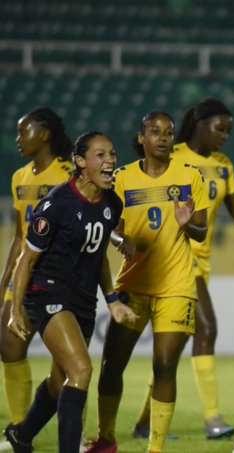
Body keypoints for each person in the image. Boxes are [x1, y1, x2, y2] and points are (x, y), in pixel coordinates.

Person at [131, 98, 234, 440]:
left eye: (229, 131)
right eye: (220, 129)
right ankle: (213, 418)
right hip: (174, 260)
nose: (225, 136)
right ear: (200, 124)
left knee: (169, 350)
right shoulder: (173, 157)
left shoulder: (222, 165)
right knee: (207, 329)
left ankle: (145, 423)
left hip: (200, 263)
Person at [3, 131, 138, 453]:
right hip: (48, 293)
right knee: (81, 371)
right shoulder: (56, 205)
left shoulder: (111, 202)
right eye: (101, 156)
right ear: (80, 162)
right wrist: (16, 309)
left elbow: (98, 252)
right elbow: (26, 258)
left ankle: (22, 436)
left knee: (58, 382)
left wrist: (112, 299)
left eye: (112, 155)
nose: (110, 162)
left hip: (83, 300)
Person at [85, 111, 209, 453]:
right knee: (112, 367)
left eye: (168, 132)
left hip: (177, 286)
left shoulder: (190, 176)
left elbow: (202, 230)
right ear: (141, 138)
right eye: (155, 131)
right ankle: (106, 438)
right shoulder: (121, 179)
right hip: (133, 285)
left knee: (165, 366)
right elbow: (111, 227)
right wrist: (118, 240)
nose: (163, 137)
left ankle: (155, 448)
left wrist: (187, 224)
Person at [0, 108, 74, 431]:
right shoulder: (20, 178)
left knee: (67, 363)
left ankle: (77, 433)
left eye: (23, 132)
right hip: (24, 276)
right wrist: (4, 281)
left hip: (58, 278)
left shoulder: (68, 174)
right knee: (9, 345)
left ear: (44, 134)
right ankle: (20, 427)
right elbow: (19, 237)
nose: (18, 139)